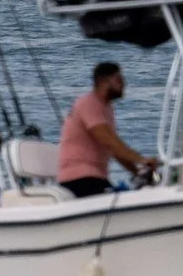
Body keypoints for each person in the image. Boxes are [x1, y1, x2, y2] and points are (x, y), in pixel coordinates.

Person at [58, 61, 160, 198]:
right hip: (79, 180)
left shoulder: (106, 108)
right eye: (119, 80)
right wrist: (141, 160)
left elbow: (115, 151)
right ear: (104, 82)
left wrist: (137, 171)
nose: (124, 84)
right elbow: (109, 142)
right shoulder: (89, 103)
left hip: (95, 178)